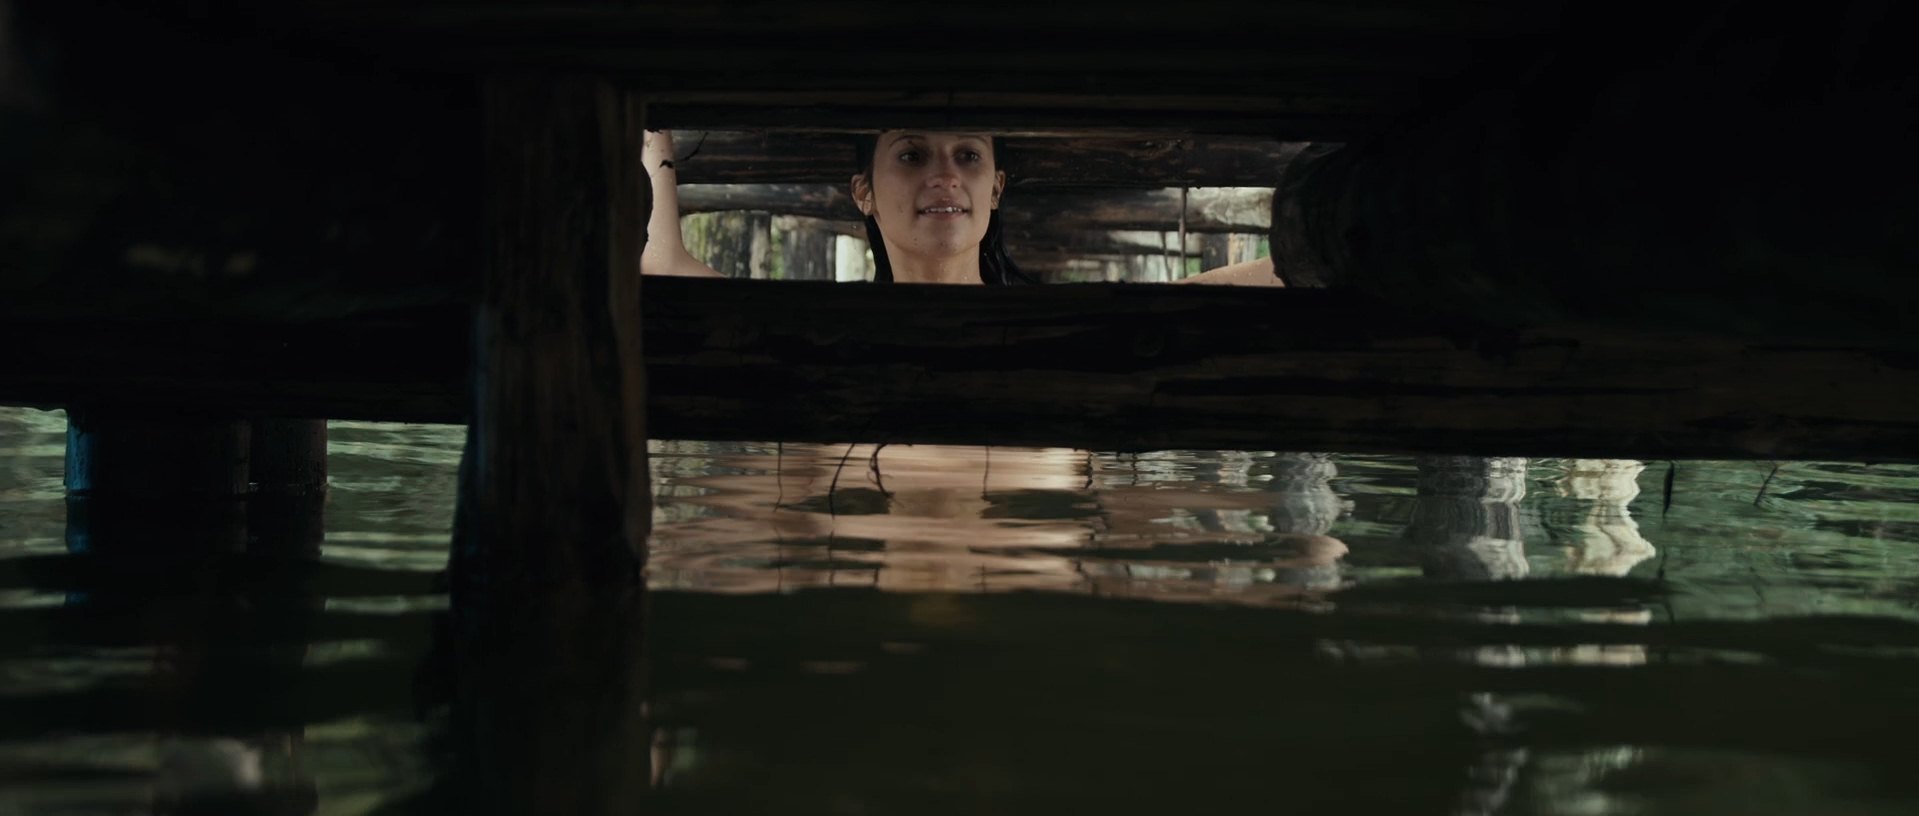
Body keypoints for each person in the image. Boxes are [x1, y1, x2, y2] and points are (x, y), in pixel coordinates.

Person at [641, 129, 1282, 286]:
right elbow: (660, 264)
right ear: (863, 192)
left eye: (968, 156)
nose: (945, 176)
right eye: (912, 154)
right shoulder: (813, 330)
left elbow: (1274, 276)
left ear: (995, 189)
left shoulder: (1063, 328)